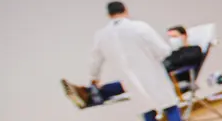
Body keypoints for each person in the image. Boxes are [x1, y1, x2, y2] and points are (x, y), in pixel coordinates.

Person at [88, 2, 204, 121]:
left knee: (147, 113)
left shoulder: (101, 35)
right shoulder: (139, 27)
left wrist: (93, 78)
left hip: (129, 81)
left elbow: (95, 60)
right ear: (126, 10)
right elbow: (163, 50)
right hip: (152, 74)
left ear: (109, 15)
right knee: (170, 107)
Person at [62, 24, 206, 108]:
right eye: (170, 37)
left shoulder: (194, 50)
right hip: (157, 78)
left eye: (175, 36)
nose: (172, 40)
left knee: (134, 83)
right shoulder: (170, 51)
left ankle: (89, 95)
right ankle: (88, 93)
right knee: (133, 80)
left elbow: (174, 65)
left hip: (173, 81)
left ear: (184, 36)